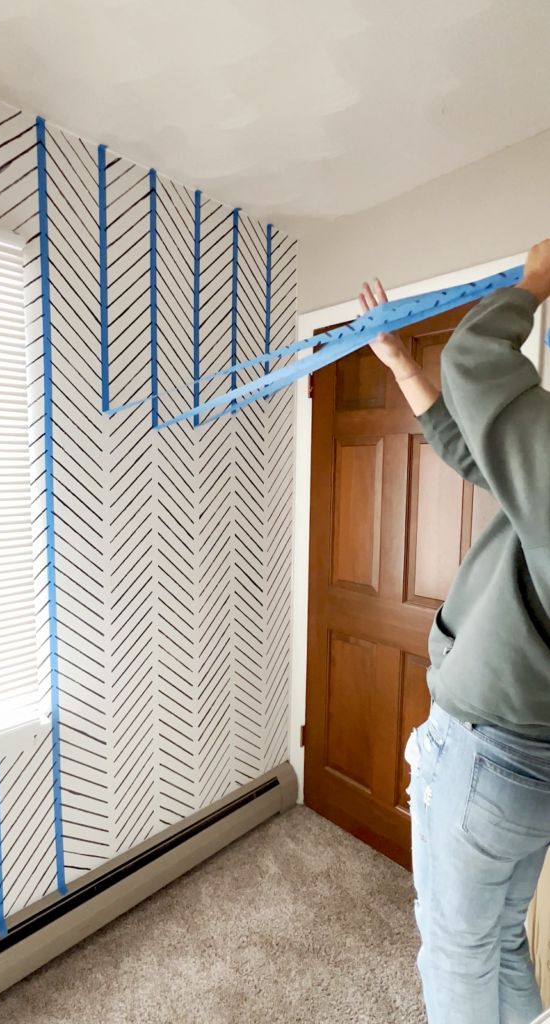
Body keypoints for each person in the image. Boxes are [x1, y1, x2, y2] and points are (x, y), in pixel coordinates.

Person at [358, 241, 550, 1024]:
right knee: (498, 939)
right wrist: (406, 368)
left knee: (454, 948)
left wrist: (534, 281)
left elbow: (476, 358)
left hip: (486, 752)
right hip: (533, 761)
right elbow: (481, 455)